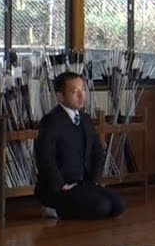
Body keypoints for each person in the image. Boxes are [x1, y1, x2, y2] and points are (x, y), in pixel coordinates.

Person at [34, 71, 126, 220]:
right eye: (74, 92)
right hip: (60, 188)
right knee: (102, 206)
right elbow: (45, 158)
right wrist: (61, 184)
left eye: (82, 90)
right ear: (60, 97)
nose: (81, 96)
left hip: (84, 183)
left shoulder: (85, 119)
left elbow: (98, 152)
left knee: (118, 204)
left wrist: (95, 180)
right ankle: (55, 210)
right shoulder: (51, 121)